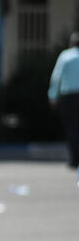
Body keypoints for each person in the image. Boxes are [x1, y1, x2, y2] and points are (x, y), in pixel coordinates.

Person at [49, 32, 79, 169]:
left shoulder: (65, 56)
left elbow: (57, 77)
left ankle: (74, 160)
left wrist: (53, 96)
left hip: (69, 97)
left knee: (72, 128)